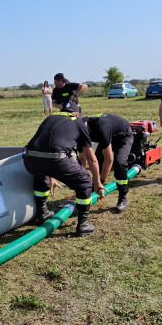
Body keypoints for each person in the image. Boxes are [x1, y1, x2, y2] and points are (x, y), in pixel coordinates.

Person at [24, 95, 103, 235]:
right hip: (56, 160)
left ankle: (42, 213)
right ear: (77, 113)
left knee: (41, 177)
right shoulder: (78, 121)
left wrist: (51, 175)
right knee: (84, 181)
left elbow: (44, 146)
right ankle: (83, 225)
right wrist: (97, 182)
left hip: (30, 159)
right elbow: (92, 159)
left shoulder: (50, 118)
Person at [85, 110, 134, 213]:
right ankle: (92, 190)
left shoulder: (101, 128)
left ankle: (122, 196)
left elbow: (109, 159)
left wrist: (101, 181)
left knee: (119, 162)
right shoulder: (84, 127)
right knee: (97, 161)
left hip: (123, 137)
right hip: (109, 136)